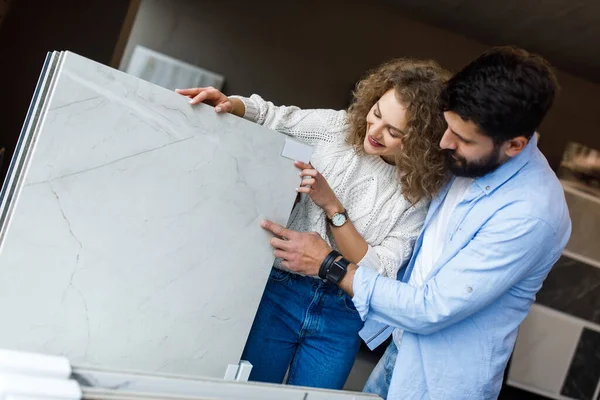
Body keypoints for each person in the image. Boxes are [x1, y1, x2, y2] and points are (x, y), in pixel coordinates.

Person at [259, 46, 572, 399]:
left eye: (462, 138)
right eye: (447, 126)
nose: (442, 142)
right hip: (399, 354)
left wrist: (328, 262)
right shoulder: (471, 160)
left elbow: (431, 309)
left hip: (441, 384)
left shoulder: (530, 215)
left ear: (514, 145)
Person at [176, 58, 450, 389]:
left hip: (343, 315)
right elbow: (272, 116)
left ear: (421, 139)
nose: (374, 131)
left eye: (394, 131)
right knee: (248, 394)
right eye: (376, 113)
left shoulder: (418, 193)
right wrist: (230, 103)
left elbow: (379, 272)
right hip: (280, 291)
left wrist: (332, 205)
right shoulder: (337, 128)